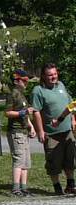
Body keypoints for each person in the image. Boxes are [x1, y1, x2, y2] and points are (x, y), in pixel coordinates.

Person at [31, 63, 76, 195]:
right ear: (43, 76)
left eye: (55, 74)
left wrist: (73, 119)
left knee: (70, 158)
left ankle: (71, 185)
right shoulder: (38, 90)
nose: (53, 77)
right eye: (50, 75)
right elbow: (36, 111)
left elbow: (70, 104)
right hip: (51, 133)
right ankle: (57, 187)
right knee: (53, 161)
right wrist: (40, 130)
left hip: (67, 130)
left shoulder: (61, 85)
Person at [4, 68, 36, 197]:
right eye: (25, 81)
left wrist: (31, 127)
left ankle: (24, 187)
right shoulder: (13, 94)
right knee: (19, 160)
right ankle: (16, 188)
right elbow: (7, 113)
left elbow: (26, 115)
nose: (27, 83)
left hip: (24, 131)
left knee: (26, 161)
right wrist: (22, 112)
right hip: (16, 132)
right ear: (17, 81)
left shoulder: (22, 95)